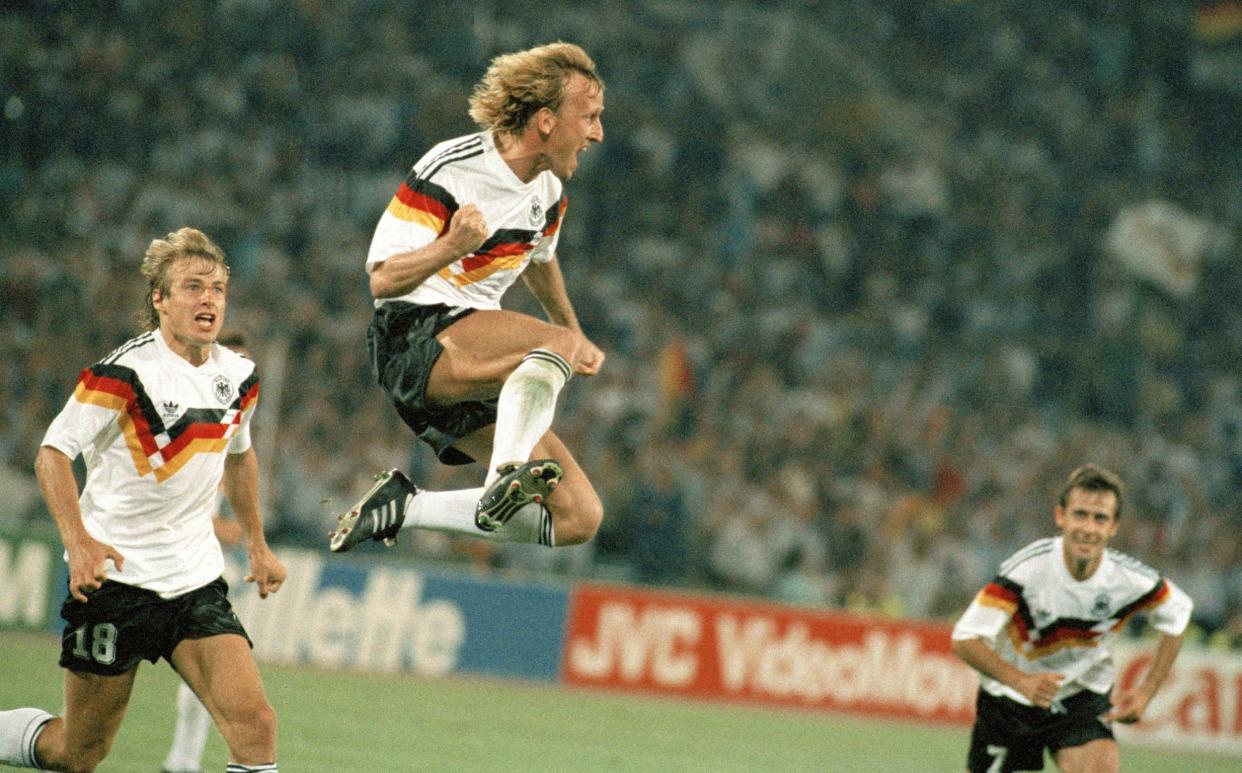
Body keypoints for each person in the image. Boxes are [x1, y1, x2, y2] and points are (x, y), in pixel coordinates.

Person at [0, 228, 286, 773]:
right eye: (193, 287)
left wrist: (257, 543)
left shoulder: (240, 376)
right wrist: (78, 542)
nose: (209, 299)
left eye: (218, 289)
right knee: (78, 752)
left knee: (256, 727)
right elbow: (53, 455)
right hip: (117, 582)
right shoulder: (123, 374)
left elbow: (240, 457)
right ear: (159, 298)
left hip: (193, 581)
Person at [329, 41, 606, 554]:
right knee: (552, 349)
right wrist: (453, 245)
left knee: (578, 517)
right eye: (588, 117)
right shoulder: (453, 168)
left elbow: (540, 258)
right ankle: (506, 472)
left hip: (469, 364)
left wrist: (573, 329)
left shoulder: (547, 190)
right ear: (545, 120)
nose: (597, 133)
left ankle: (406, 506)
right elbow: (384, 280)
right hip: (414, 337)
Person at [950, 464, 1193, 773]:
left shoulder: (1129, 579)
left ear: (1114, 526)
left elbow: (1177, 614)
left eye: (1100, 518)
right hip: (1010, 702)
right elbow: (964, 639)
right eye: (1080, 514)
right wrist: (1020, 681)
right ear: (1060, 516)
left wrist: (1147, 691)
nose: (1088, 528)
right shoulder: (1027, 571)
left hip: (1081, 701)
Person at [159, 331, 252, 773]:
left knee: (212, 669)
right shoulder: (178, 417)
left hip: (191, 568)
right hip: (145, 563)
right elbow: (161, 497)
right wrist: (220, 528)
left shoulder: (231, 431)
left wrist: (254, 541)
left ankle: (182, 762)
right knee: (81, 739)